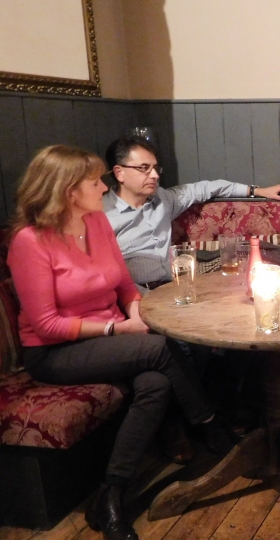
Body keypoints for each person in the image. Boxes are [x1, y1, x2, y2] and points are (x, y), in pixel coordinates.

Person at [7, 145, 238, 540]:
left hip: (110, 333)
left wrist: (133, 310)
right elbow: (46, 325)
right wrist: (118, 331)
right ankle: (211, 426)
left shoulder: (96, 223)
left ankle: (109, 496)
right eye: (94, 181)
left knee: (157, 382)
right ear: (67, 191)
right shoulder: (30, 242)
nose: (103, 187)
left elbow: (125, 285)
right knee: (163, 348)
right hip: (54, 352)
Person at [103, 135, 280, 293]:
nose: (155, 175)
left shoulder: (163, 199)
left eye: (155, 168)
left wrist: (257, 191)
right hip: (138, 295)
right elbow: (106, 277)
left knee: (266, 259)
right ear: (119, 173)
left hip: (176, 284)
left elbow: (206, 188)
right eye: (144, 168)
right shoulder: (102, 216)